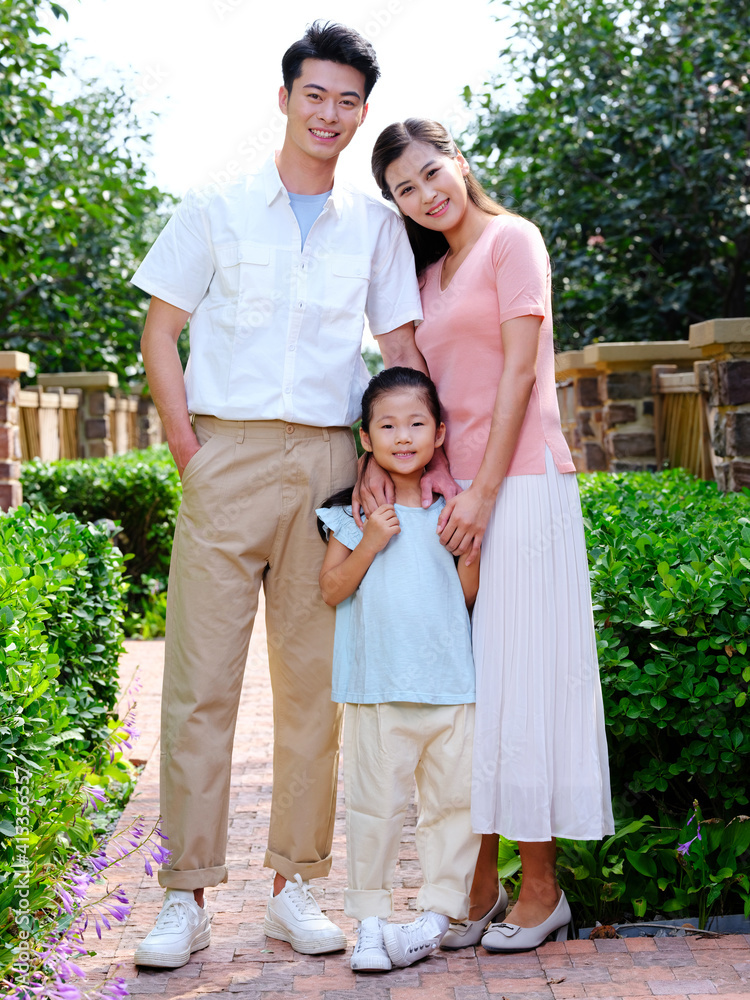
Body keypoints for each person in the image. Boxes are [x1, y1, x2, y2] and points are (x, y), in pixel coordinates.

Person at [129, 25, 430, 968]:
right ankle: (186, 896)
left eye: (348, 101)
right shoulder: (216, 208)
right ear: (286, 95)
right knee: (200, 687)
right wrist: (190, 451)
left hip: (328, 470)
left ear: (362, 111)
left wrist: (398, 458)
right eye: (316, 95)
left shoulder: (377, 226)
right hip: (225, 456)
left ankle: (294, 887)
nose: (330, 113)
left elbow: (401, 350)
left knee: (314, 693)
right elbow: (160, 332)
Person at [364, 119, 615, 953]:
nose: (426, 193)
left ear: (460, 161)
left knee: (526, 679)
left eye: (433, 172)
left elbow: (518, 372)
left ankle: (540, 890)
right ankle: (478, 882)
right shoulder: (428, 277)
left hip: (524, 488)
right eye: (405, 187)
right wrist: (418, 482)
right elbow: (422, 394)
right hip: (457, 503)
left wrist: (485, 493)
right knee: (473, 688)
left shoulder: (515, 242)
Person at [316, 367, 481, 972]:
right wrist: (370, 543)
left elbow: (465, 596)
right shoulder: (352, 513)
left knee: (453, 808)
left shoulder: (452, 512)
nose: (402, 436)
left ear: (439, 433)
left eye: (416, 423)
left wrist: (470, 552)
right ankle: (370, 923)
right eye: (387, 425)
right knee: (373, 809)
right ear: (366, 438)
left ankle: (434, 919)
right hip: (377, 689)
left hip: (450, 687)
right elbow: (331, 590)